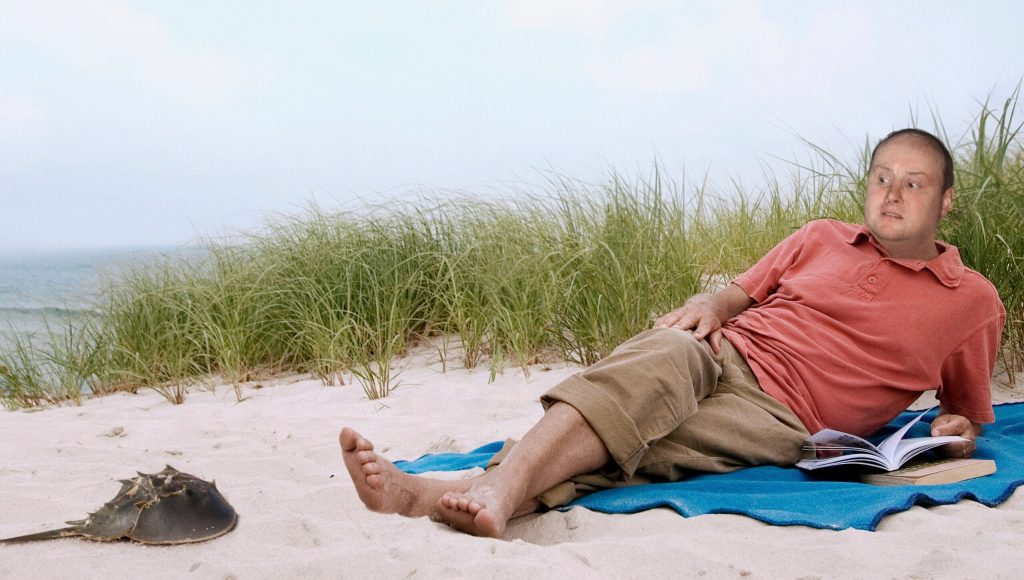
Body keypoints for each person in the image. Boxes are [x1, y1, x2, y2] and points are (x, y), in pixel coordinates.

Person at [340, 128, 1006, 538]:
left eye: (913, 183)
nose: (891, 194)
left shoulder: (971, 301)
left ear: (946, 200)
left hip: (783, 414)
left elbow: (964, 412)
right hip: (723, 348)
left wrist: (957, 429)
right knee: (663, 352)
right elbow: (734, 294)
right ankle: (499, 490)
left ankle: (431, 493)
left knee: (648, 444)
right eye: (882, 178)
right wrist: (708, 304)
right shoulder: (820, 238)